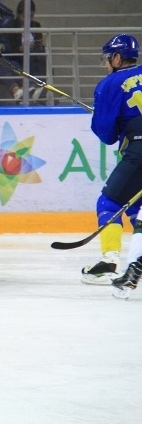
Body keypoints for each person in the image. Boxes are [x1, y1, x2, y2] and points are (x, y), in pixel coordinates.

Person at [83, 34, 142, 289]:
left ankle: (109, 262)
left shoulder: (109, 84)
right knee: (136, 207)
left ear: (117, 58)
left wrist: (107, 117)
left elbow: (106, 135)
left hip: (139, 151)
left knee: (110, 203)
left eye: (108, 59)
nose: (106, 64)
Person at [5, 0, 47, 100]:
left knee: (41, 58)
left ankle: (40, 87)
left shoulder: (36, 25)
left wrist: (39, 44)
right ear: (19, 15)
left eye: (31, 16)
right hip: (18, 56)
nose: (28, 20)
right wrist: (20, 48)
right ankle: (35, 86)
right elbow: (9, 47)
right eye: (24, 16)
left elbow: (39, 43)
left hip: (33, 54)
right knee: (32, 59)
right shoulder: (10, 26)